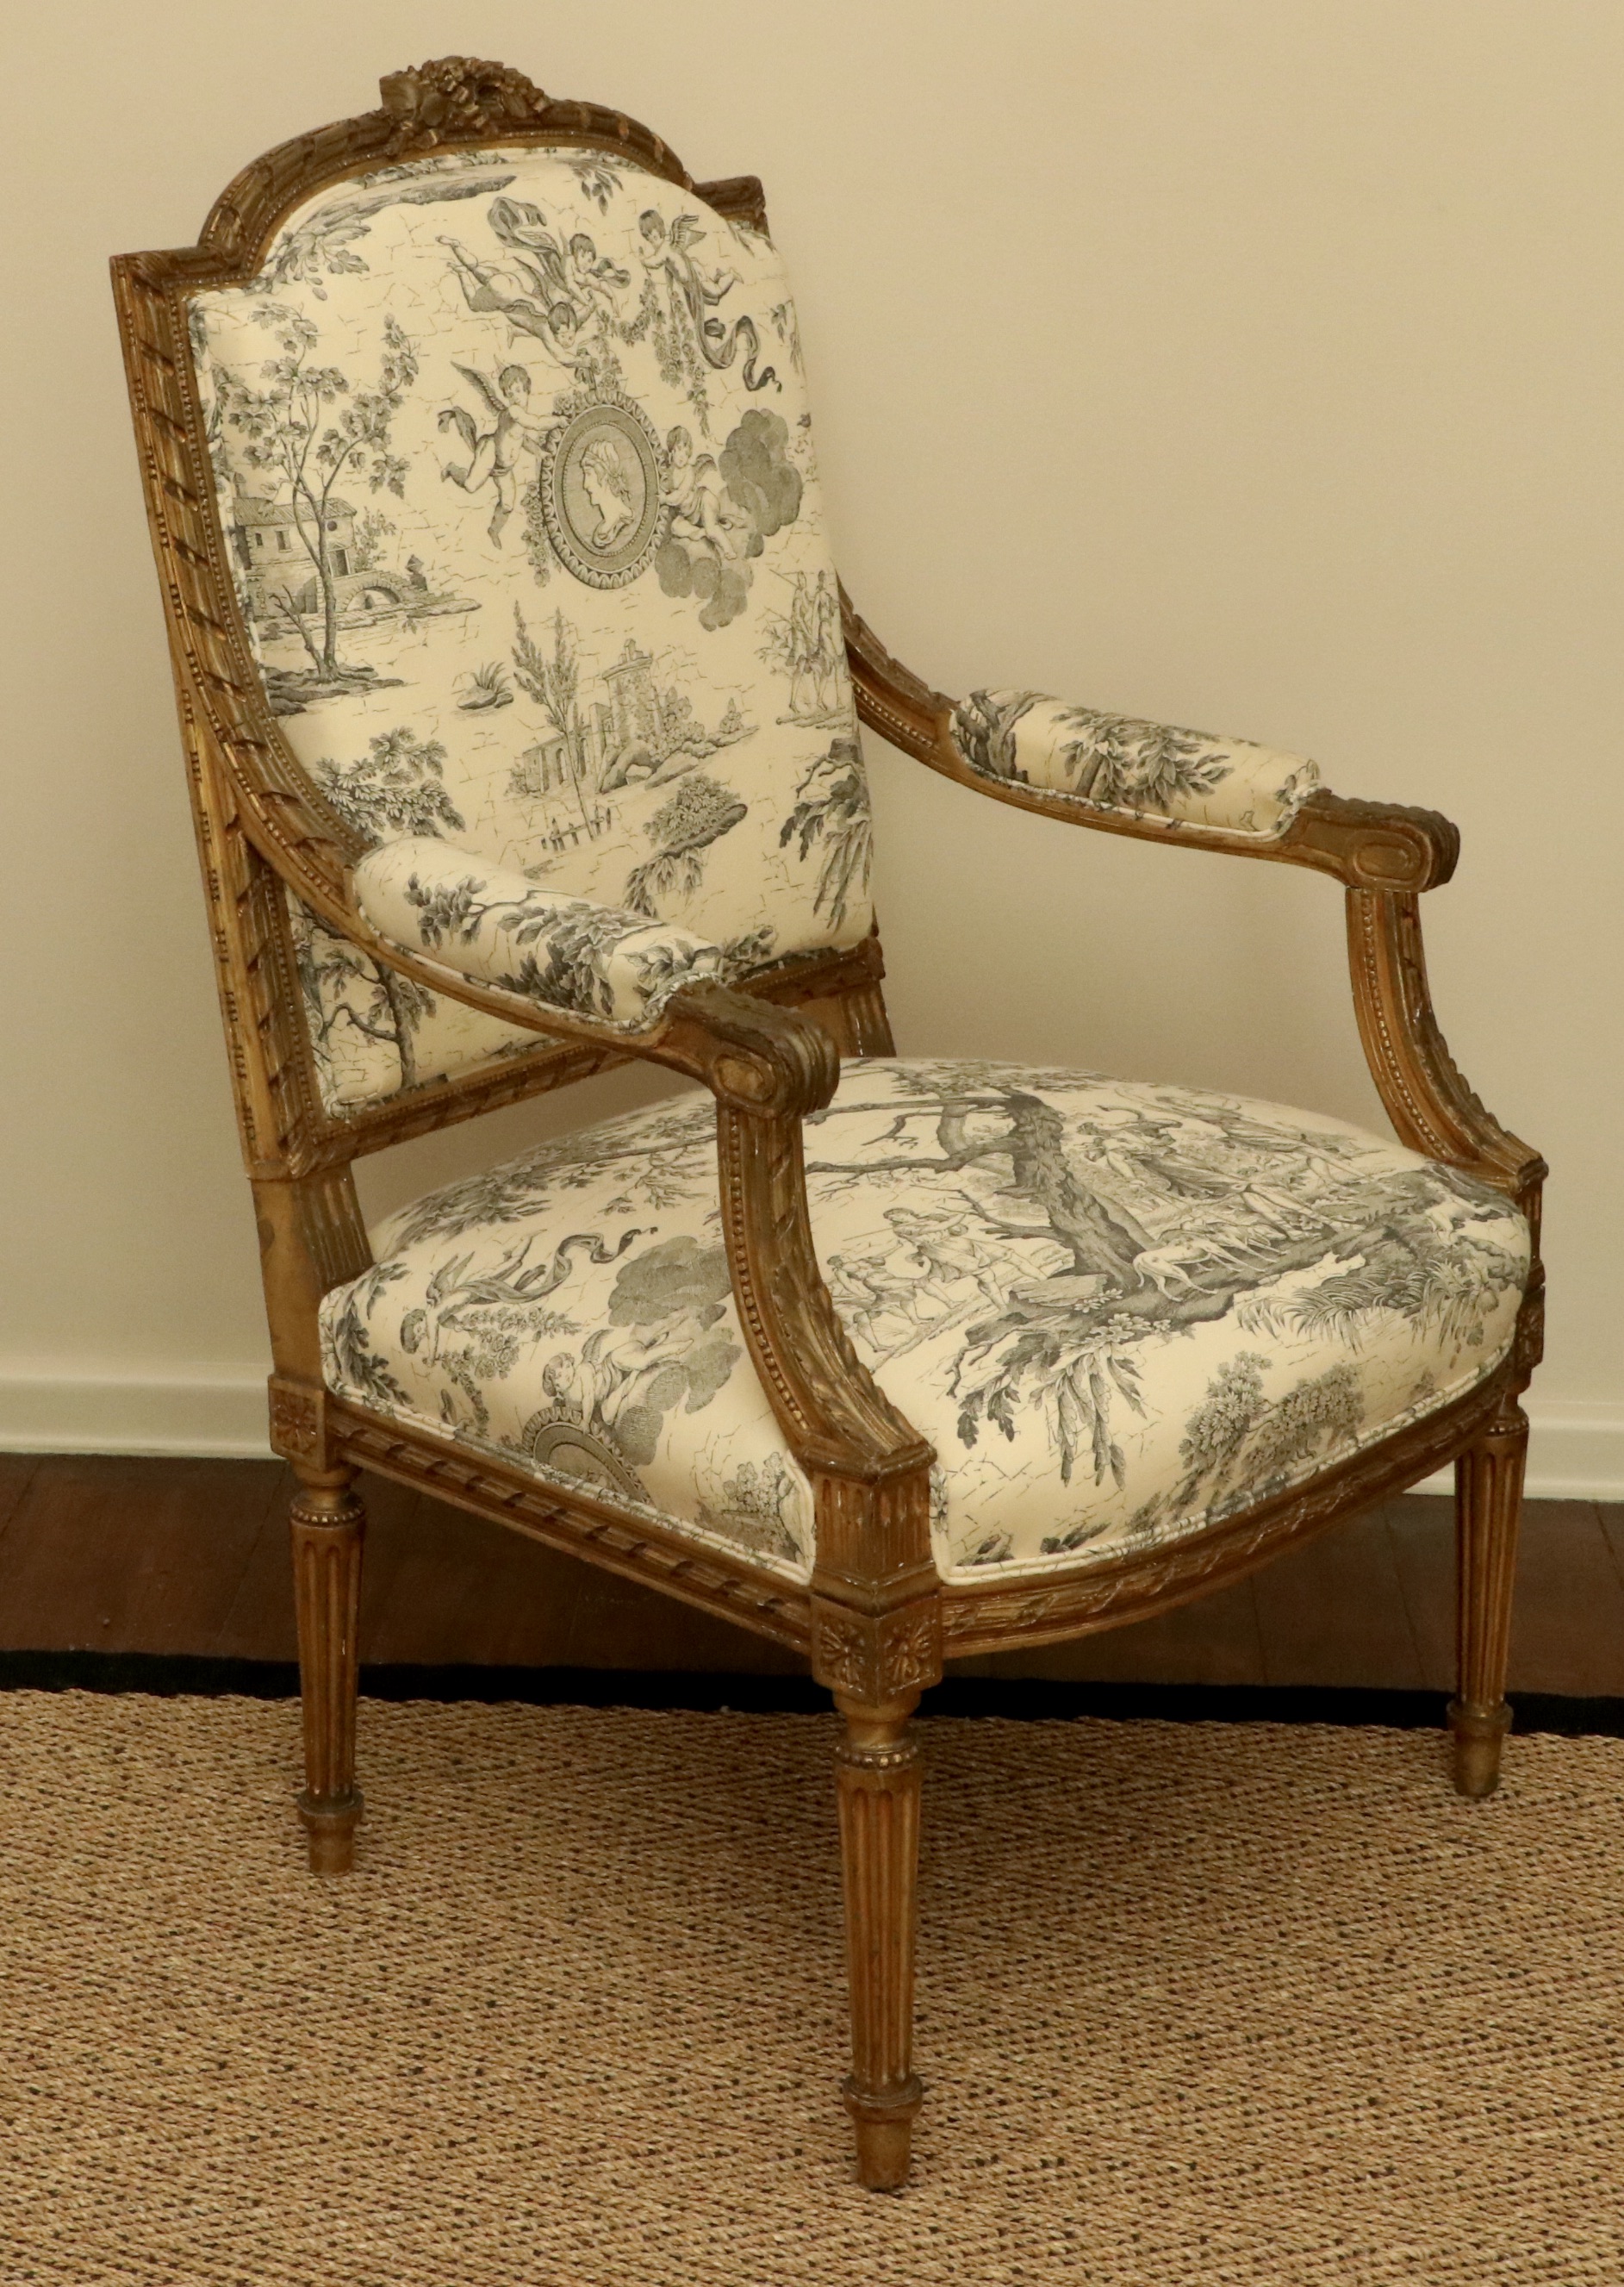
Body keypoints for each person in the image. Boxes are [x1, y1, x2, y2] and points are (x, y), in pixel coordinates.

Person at [438, 363, 559, 547]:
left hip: (504, 469)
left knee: (508, 505)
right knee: (470, 486)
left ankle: (493, 530)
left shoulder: (520, 415)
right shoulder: (514, 412)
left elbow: (522, 439)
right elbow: (537, 423)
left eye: (518, 390)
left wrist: (539, 452)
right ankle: (452, 469)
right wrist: (559, 421)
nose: (515, 397)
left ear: (527, 389)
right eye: (510, 394)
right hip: (490, 452)